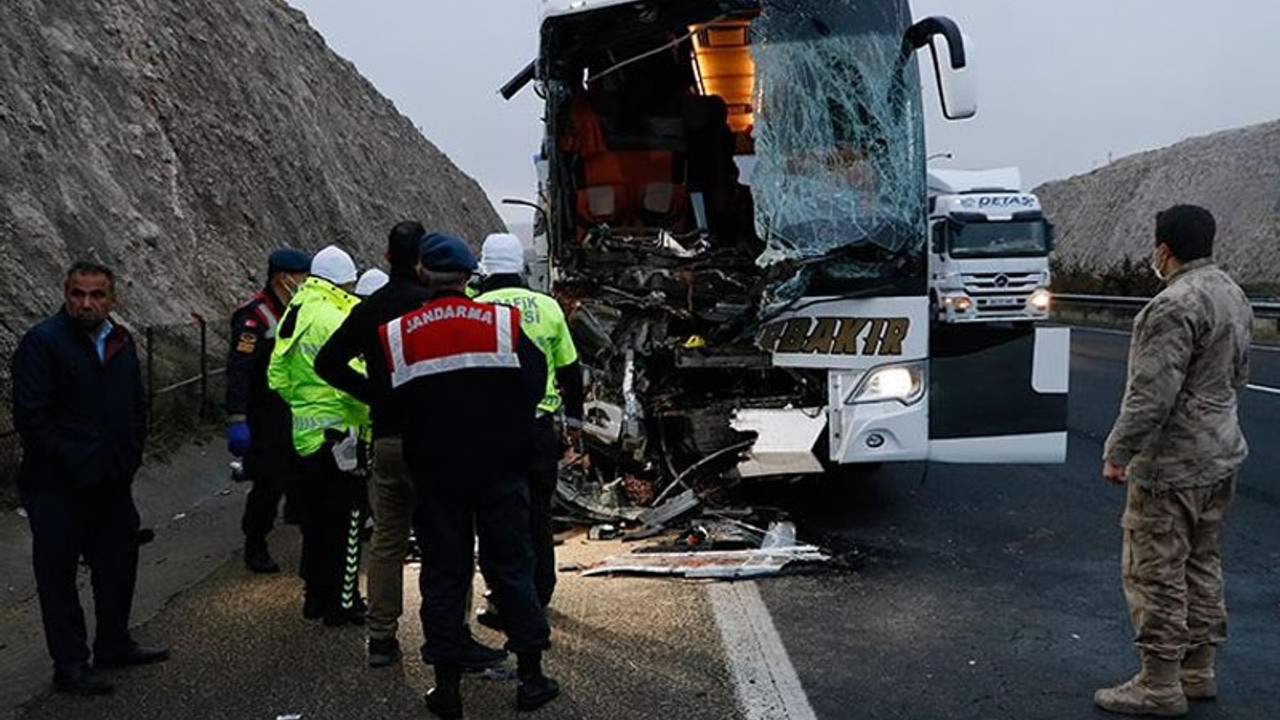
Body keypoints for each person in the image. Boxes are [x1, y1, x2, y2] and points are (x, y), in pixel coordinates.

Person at [380, 234, 558, 718]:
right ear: (468, 276)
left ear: (422, 273)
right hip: (500, 466)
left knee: (444, 574)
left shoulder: (399, 332)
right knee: (512, 568)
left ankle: (447, 688)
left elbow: (392, 396)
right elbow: (534, 381)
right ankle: (531, 678)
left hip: (436, 471)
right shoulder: (502, 323)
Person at [315, 222, 505, 670]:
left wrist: (374, 395)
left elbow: (328, 362)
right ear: (425, 261)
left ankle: (381, 638)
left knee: (387, 541)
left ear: (385, 256)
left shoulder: (372, 308)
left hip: (385, 440)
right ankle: (452, 635)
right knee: (449, 539)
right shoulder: (433, 307)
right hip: (436, 441)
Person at [1095, 205, 1253, 717]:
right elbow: (1238, 376)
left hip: (1173, 464)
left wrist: (1119, 451)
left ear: (1163, 249)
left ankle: (1159, 684)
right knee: (1201, 562)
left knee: (1155, 569)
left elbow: (1151, 397)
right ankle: (1197, 669)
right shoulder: (1232, 293)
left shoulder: (1172, 305)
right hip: (1219, 453)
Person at [11, 261, 169, 696]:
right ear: (65, 295)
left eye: (96, 295)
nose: (86, 303)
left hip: (112, 481)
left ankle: (114, 643)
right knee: (58, 576)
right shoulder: (43, 343)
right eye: (78, 294)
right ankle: (71, 664)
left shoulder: (120, 341)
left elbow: (135, 405)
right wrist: (77, 461)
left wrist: (127, 457)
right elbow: (31, 416)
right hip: (57, 486)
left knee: (119, 564)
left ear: (112, 299)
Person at [474, 232, 584, 619]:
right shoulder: (548, 307)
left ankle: (501, 593)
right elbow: (571, 372)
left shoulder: (474, 308)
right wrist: (574, 427)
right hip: (539, 430)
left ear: (484, 265)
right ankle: (541, 590)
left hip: (489, 433)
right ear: (521, 265)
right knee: (539, 512)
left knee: (494, 515)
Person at [267, 245, 371, 627]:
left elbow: (276, 375)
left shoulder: (296, 311)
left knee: (315, 522)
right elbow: (354, 379)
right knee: (348, 522)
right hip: (340, 434)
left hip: (306, 436)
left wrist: (303, 405)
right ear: (344, 281)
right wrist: (371, 412)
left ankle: (314, 596)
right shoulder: (335, 315)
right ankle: (344, 603)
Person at [226, 247, 312, 574]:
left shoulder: (299, 310)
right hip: (265, 417)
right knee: (267, 484)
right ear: (283, 278)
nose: (305, 283)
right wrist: (237, 418)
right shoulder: (254, 318)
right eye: (302, 278)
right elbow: (239, 370)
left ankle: (304, 533)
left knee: (302, 478)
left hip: (296, 412)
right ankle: (255, 545)